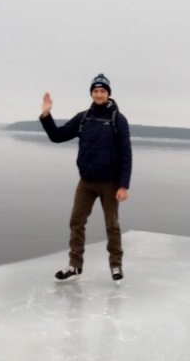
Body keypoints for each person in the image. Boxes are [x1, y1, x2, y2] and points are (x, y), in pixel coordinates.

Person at [39, 74, 132, 282]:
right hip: (86, 181)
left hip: (110, 182)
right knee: (76, 222)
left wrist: (123, 185)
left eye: (103, 91)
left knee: (112, 225)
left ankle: (116, 266)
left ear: (108, 94)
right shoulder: (84, 118)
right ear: (91, 93)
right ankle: (75, 266)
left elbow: (126, 154)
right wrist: (46, 115)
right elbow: (57, 136)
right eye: (96, 91)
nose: (99, 94)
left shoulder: (118, 119)